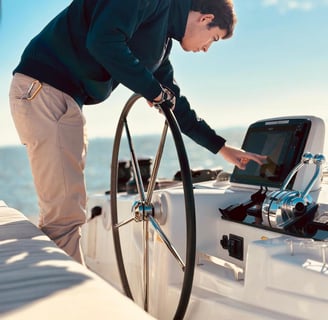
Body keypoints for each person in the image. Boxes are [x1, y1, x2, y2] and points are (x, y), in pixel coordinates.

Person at [9, 0, 267, 264]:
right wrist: (151, 89)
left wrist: (221, 148)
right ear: (205, 18)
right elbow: (103, 41)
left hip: (60, 99)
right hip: (45, 89)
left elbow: (174, 104)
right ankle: (65, 297)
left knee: (67, 209)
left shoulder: (159, 44)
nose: (205, 49)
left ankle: (63, 285)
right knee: (64, 216)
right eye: (213, 39)